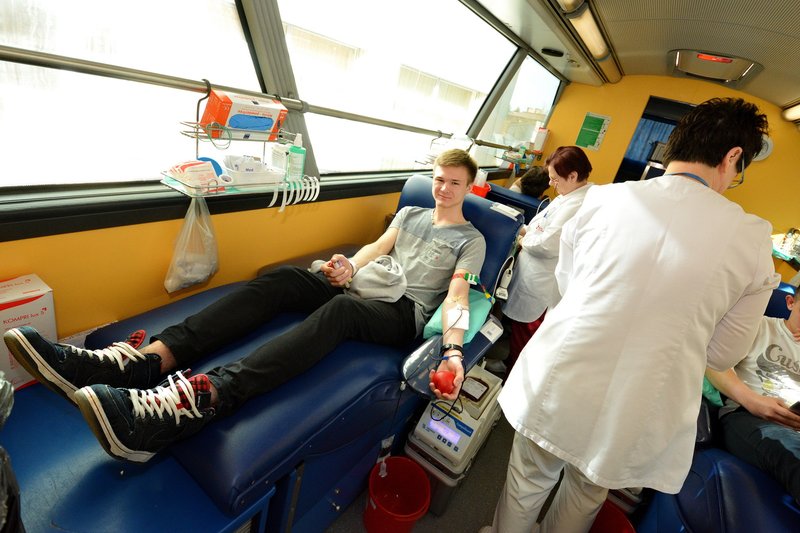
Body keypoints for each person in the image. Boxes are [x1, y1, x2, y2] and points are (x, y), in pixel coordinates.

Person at [3, 148, 486, 463]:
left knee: (340, 313)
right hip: (365, 287)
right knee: (284, 279)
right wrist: (347, 268)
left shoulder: (472, 240)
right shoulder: (411, 212)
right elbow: (375, 249)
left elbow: (458, 296)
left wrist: (453, 351)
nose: (443, 189)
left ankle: (202, 400)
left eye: (454, 183)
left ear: (470, 187)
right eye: (439, 179)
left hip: (402, 312)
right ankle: (146, 362)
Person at [482, 97, 780, 533]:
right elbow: (721, 354)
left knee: (528, 479)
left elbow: (567, 286)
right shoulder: (752, 239)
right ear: (732, 156)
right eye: (739, 171)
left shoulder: (600, 200)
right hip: (637, 403)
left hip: (562, 372)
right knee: (585, 493)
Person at [500, 147, 594, 380]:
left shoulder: (579, 204)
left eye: (555, 178)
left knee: (525, 338)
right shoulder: (567, 195)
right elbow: (539, 227)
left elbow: (546, 244)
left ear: (572, 176)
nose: (551, 183)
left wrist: (523, 238)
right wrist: (526, 231)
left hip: (541, 283)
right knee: (517, 333)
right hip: (531, 272)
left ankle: (513, 380)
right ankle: (508, 367)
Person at [705, 286, 800, 503]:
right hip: (749, 415)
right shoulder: (757, 326)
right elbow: (713, 364)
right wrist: (753, 401)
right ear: (790, 303)